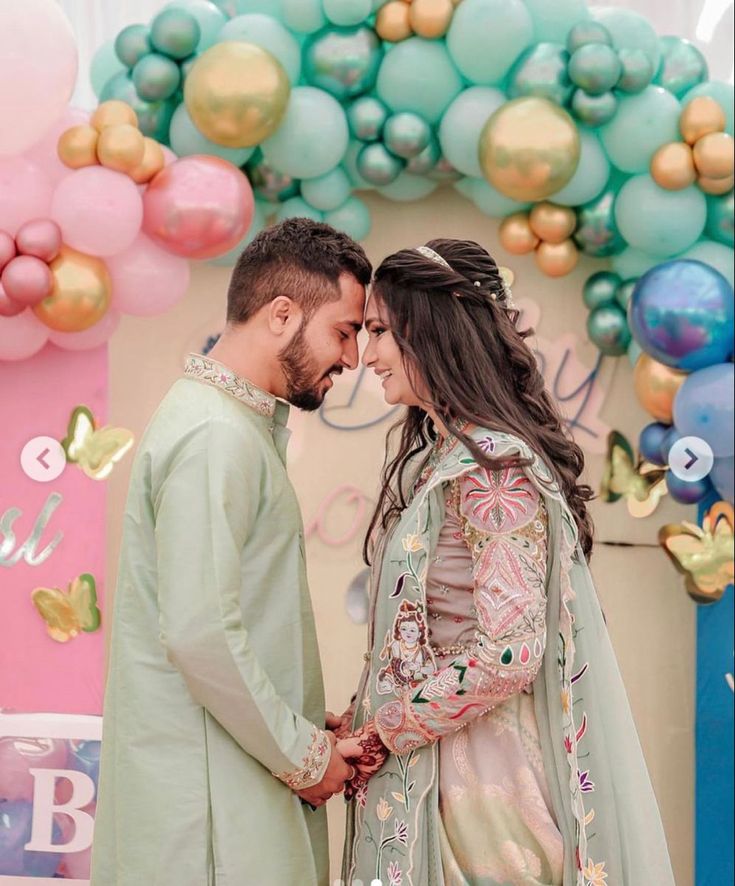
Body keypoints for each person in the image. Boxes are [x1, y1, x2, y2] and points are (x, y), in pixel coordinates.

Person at [336, 240, 675, 886]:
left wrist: (387, 726)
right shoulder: (447, 459)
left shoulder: (494, 471)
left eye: (380, 331)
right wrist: (363, 715)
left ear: (431, 329)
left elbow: (509, 650)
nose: (368, 355)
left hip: (483, 796)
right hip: (443, 774)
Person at [91, 218, 371, 886]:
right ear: (281, 315)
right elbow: (200, 633)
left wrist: (304, 716)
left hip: (220, 785)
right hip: (207, 815)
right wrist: (303, 755)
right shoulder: (216, 435)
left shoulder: (232, 425)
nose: (353, 358)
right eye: (344, 329)